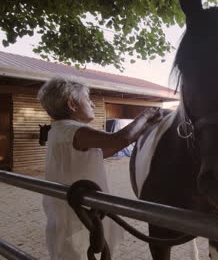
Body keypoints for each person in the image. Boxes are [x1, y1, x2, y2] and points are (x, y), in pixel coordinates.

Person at [37, 76, 162, 260]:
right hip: (78, 221)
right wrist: (146, 115)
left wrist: (144, 127)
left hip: (74, 217)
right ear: (72, 104)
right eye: (88, 100)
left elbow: (107, 149)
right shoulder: (72, 130)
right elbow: (118, 140)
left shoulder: (59, 130)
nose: (92, 105)